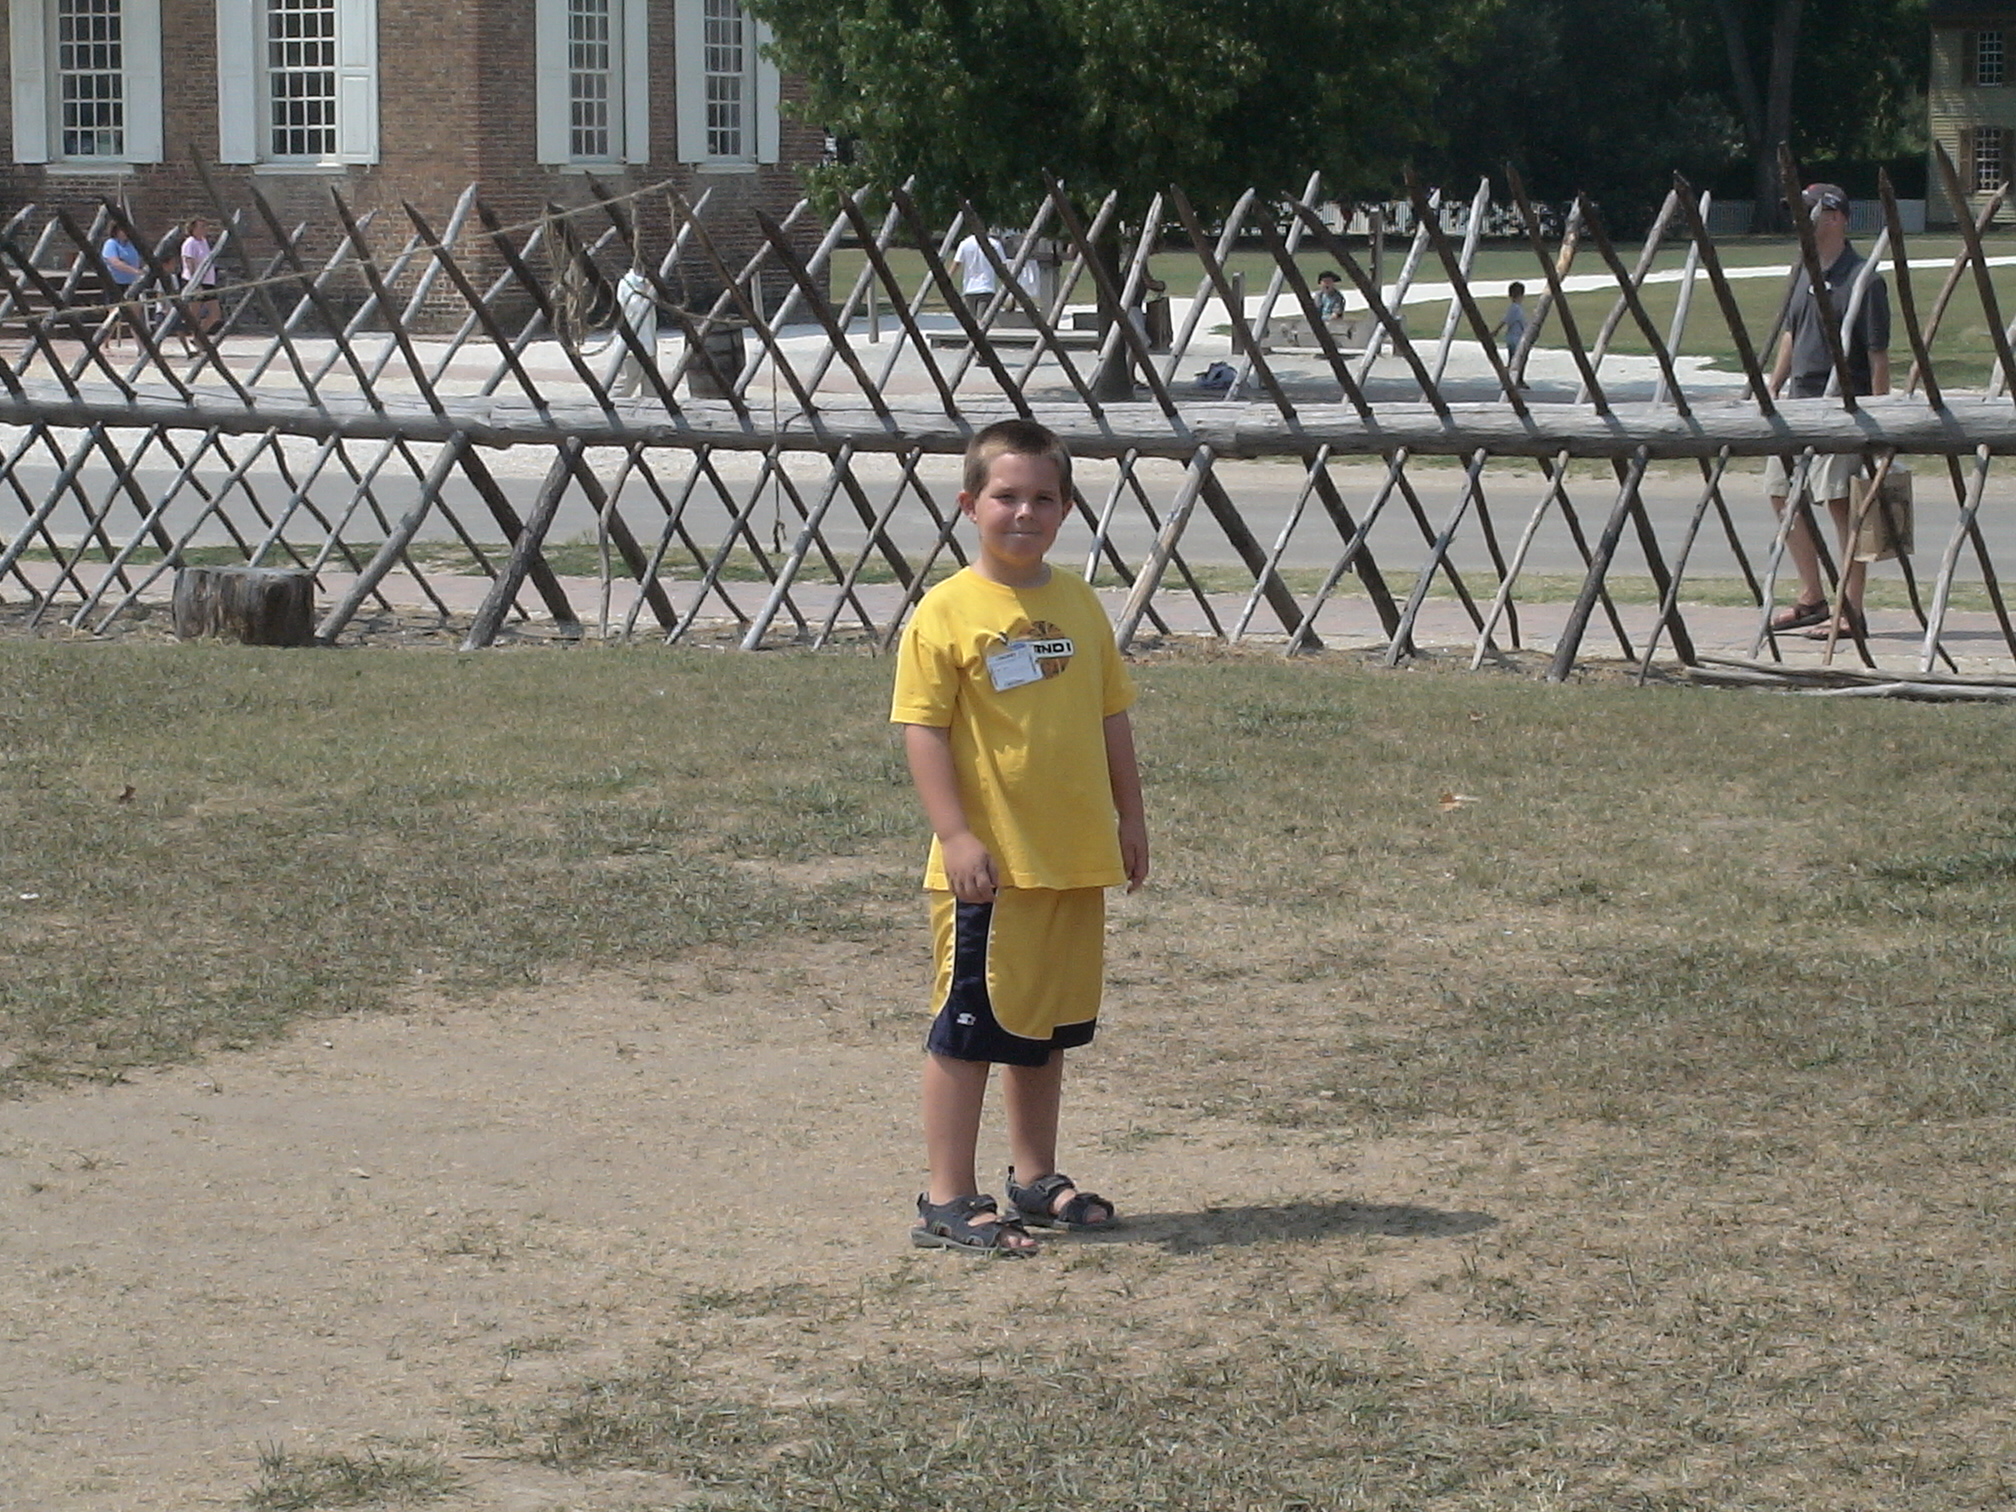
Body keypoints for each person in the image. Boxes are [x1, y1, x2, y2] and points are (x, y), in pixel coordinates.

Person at [890, 417, 1149, 1256]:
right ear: (969, 505)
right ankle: (946, 1196)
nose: (1024, 512)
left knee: (1045, 1030)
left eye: (1043, 497)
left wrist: (1130, 818)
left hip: (1071, 858)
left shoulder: (1077, 602)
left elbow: (1110, 716)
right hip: (992, 869)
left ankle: (1035, 1177)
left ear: (1067, 508)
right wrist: (956, 835)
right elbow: (922, 729)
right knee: (970, 1031)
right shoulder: (946, 612)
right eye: (1006, 496)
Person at [1765, 183, 1891, 643]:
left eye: (1808, 212)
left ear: (1835, 217)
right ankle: (1812, 596)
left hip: (1844, 409)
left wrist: (1879, 422)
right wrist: (1773, 384)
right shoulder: (1803, 270)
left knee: (1843, 506)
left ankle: (1850, 610)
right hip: (1798, 405)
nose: (1798, 220)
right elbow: (1791, 334)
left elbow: (1878, 356)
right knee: (1781, 494)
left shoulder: (1865, 279)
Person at [179, 215, 222, 348]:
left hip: (208, 282)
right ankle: (193, 338)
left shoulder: (203, 241)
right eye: (202, 227)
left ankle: (198, 337)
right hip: (195, 282)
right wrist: (195, 284)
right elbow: (189, 263)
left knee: (215, 314)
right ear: (193, 229)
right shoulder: (190, 243)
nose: (205, 229)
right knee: (194, 314)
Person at [99, 226, 145, 349]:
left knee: (135, 316)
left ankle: (141, 347)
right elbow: (115, 262)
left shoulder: (132, 244)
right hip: (115, 283)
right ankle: (104, 344)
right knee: (113, 316)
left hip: (131, 284)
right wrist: (135, 271)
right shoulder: (111, 244)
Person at [953, 230, 1008, 320]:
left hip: (969, 288)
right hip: (987, 288)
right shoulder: (995, 244)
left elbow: (957, 263)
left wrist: (947, 277)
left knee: (972, 320)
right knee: (983, 319)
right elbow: (1003, 266)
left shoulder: (965, 243)